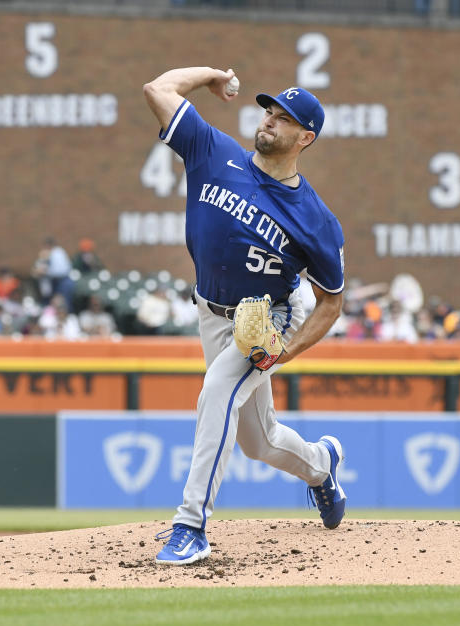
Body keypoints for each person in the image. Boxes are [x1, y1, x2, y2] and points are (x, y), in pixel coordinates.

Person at [143, 67, 346, 565]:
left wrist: (285, 351)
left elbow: (331, 301)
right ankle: (322, 465)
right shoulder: (214, 151)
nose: (271, 120)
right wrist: (211, 75)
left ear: (306, 137)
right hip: (210, 312)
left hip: (264, 321)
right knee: (260, 441)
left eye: (286, 118)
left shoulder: (315, 219)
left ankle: (191, 524)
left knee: (216, 392)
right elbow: (158, 90)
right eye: (270, 111)